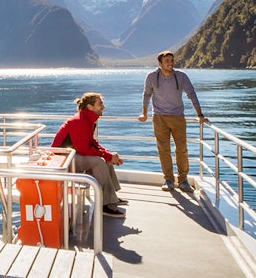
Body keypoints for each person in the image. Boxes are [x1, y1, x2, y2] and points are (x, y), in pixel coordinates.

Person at [138, 50, 209, 192]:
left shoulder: (181, 76)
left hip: (178, 117)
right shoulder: (152, 77)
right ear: (160, 63)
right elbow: (147, 95)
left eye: (172, 60)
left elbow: (191, 94)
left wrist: (200, 114)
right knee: (163, 150)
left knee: (181, 149)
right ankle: (168, 180)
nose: (170, 63)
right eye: (167, 61)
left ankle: (183, 180)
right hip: (159, 118)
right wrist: (144, 114)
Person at [52, 92, 127, 217]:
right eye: (100, 104)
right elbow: (84, 149)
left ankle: (111, 197)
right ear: (90, 107)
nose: (103, 107)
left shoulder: (88, 119)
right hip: (63, 159)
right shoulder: (79, 121)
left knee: (104, 159)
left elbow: (92, 142)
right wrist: (107, 156)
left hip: (73, 154)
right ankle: (105, 204)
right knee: (99, 161)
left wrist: (109, 154)